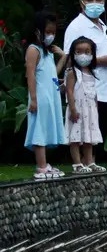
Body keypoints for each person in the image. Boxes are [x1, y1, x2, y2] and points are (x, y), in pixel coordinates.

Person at [63, 0, 107, 140]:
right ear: (82, 2)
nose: (95, 2)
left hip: (103, 90)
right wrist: (100, 61)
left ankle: (92, 163)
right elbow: (68, 59)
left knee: (96, 134)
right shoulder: (76, 27)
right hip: (83, 92)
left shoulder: (102, 26)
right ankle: (82, 163)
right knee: (82, 134)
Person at [23, 11, 68, 180]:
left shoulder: (47, 52)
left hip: (50, 97)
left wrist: (62, 57)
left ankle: (44, 164)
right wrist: (33, 99)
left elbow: (52, 75)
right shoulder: (34, 50)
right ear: (38, 31)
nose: (50, 36)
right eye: (47, 32)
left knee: (46, 127)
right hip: (40, 96)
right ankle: (41, 166)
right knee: (39, 129)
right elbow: (31, 75)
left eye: (53, 32)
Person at [64, 37, 104, 173]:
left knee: (89, 137)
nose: (83, 55)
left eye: (87, 52)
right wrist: (73, 109)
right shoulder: (72, 73)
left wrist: (96, 109)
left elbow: (94, 93)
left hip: (90, 110)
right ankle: (77, 164)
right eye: (79, 52)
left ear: (92, 54)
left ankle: (89, 161)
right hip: (77, 109)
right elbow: (69, 91)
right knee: (75, 137)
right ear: (73, 54)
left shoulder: (92, 73)